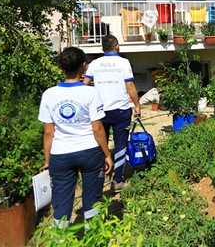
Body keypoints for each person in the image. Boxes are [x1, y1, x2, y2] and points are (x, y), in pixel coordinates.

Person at [38, 47, 113, 228]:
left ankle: (60, 240)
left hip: (60, 154)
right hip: (89, 153)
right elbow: (97, 129)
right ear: (84, 66)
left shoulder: (49, 94)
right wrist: (107, 154)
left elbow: (48, 132)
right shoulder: (91, 93)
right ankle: (94, 237)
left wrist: (48, 160)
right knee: (93, 198)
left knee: (61, 202)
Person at [84, 34, 141, 193]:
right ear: (117, 47)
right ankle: (117, 180)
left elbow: (85, 84)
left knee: (100, 144)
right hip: (120, 110)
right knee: (120, 144)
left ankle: (99, 178)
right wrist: (137, 105)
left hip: (99, 111)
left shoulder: (94, 64)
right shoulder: (123, 62)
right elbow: (129, 85)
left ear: (102, 49)